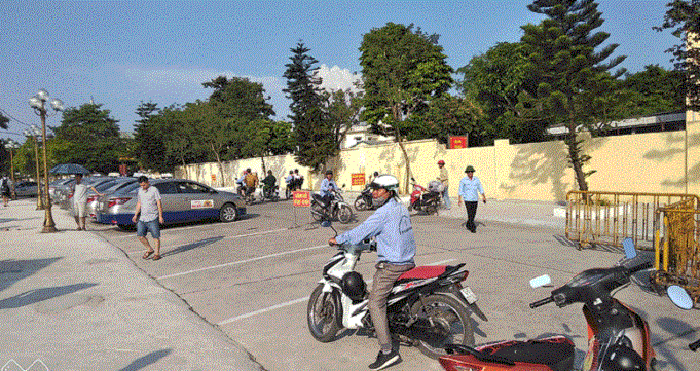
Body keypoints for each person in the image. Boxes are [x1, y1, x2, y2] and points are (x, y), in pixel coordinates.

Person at [328, 174, 415, 370]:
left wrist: (339, 239)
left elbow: (361, 231)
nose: (374, 192)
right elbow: (395, 233)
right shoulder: (400, 208)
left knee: (375, 304)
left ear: (389, 191)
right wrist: (377, 244)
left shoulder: (383, 212)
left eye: (378, 189)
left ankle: (387, 352)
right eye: (373, 189)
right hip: (408, 261)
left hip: (392, 266)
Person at [132, 176, 164, 261]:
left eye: (144, 185)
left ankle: (157, 254)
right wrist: (135, 215)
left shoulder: (154, 190)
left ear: (148, 182)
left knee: (155, 236)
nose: (143, 187)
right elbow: (139, 203)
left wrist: (160, 216)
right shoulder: (140, 191)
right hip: (143, 218)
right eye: (141, 185)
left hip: (153, 217)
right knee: (140, 235)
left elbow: (158, 203)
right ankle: (149, 249)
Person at [457, 165, 486, 233]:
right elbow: (460, 190)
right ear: (467, 173)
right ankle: (472, 227)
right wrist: (459, 200)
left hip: (475, 199)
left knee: (473, 213)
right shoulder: (463, 180)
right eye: (469, 172)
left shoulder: (476, 179)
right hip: (467, 199)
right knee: (470, 213)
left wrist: (483, 196)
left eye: (471, 172)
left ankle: (468, 223)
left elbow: (480, 188)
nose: (470, 173)